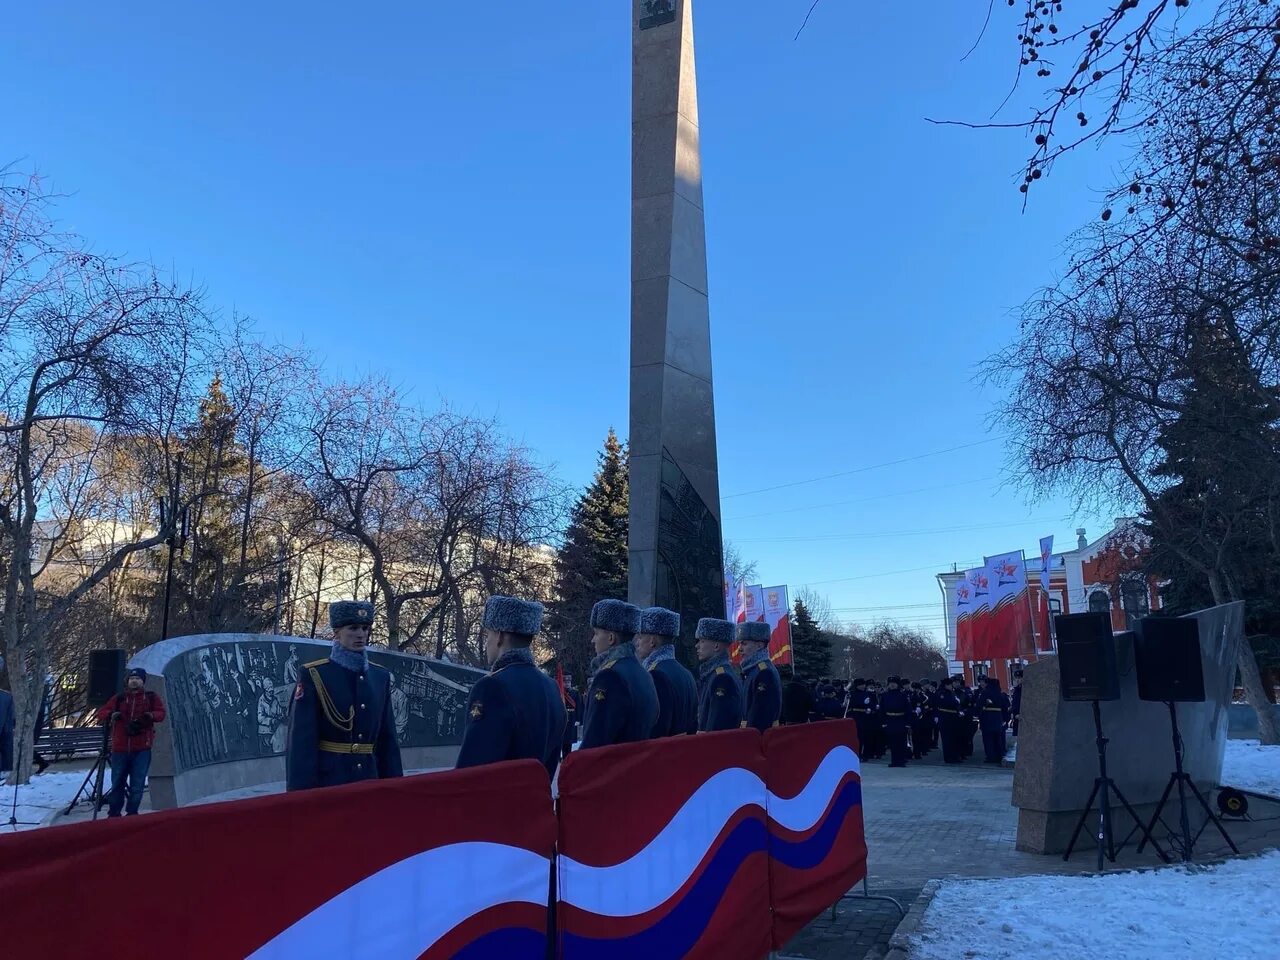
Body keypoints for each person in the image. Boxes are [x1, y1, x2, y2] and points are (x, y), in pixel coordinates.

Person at [285, 601, 403, 791]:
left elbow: (387, 740)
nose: (361, 634)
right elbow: (301, 744)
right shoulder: (315, 675)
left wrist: (396, 788)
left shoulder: (380, 677)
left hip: (370, 782)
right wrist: (300, 798)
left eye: (365, 628)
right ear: (337, 632)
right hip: (330, 783)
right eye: (353, 628)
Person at [456, 596, 566, 778]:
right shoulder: (552, 688)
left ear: (500, 635)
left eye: (488, 634)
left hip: (498, 805)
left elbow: (471, 772)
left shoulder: (491, 687)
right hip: (538, 804)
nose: (487, 642)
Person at [579, 599, 658, 749]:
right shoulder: (644, 674)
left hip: (611, 769)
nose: (592, 640)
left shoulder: (609, 676)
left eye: (596, 633)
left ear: (610, 638)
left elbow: (595, 743)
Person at [95, 668, 167, 817]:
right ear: (127, 681)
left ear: (143, 681)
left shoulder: (151, 698)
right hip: (120, 748)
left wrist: (149, 716)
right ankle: (114, 813)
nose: (134, 681)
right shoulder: (119, 698)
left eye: (138, 679)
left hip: (141, 748)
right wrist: (112, 715)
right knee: (117, 784)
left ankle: (132, 812)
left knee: (137, 784)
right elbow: (101, 713)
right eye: (131, 678)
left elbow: (161, 713)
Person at [635, 606, 698, 737]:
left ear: (652, 641)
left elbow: (656, 729)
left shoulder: (655, 675)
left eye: (640, 637)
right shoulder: (686, 674)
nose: (637, 643)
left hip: (664, 755)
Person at [694, 618, 742, 732]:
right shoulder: (714, 675)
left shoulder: (721, 678)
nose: (697, 646)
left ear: (716, 646)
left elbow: (716, 728)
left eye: (702, 641)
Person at [737, 621, 782, 732]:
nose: (739, 649)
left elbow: (759, 717)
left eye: (744, 644)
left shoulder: (763, 672)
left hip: (757, 738)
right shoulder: (755, 670)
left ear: (759, 645)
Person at [977, 676, 1012, 763]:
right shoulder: (1001, 695)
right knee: (998, 738)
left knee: (988, 739)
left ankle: (990, 756)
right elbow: (1005, 708)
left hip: (987, 718)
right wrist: (1006, 720)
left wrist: (979, 715)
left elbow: (979, 705)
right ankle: (999, 755)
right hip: (998, 718)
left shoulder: (984, 693)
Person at [879, 677, 912, 767]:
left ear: (898, 684)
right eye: (890, 683)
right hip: (890, 720)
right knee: (892, 742)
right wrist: (883, 722)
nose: (892, 685)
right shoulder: (885, 695)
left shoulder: (903, 695)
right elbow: (882, 710)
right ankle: (894, 761)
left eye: (894, 683)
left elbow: (908, 710)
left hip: (901, 720)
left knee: (901, 741)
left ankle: (901, 760)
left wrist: (908, 723)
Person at [935, 678, 964, 764]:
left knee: (955, 738)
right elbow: (946, 703)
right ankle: (949, 757)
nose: (952, 686)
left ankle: (955, 755)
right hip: (945, 718)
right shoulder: (941, 693)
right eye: (951, 685)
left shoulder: (952, 693)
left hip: (953, 717)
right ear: (946, 685)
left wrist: (959, 710)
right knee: (947, 739)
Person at [845, 678, 874, 760]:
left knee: (866, 736)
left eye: (863, 685)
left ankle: (866, 754)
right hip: (856, 716)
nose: (863, 686)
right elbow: (850, 705)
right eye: (861, 685)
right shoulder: (852, 694)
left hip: (865, 717)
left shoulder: (867, 694)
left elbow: (872, 704)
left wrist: (870, 708)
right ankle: (857, 753)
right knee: (858, 736)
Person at [1010, 668, 1024, 738]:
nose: (1018, 680)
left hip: (1023, 716)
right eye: (1016, 678)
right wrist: (1014, 713)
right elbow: (1015, 703)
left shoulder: (1025, 689)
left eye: (1020, 678)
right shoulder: (1016, 690)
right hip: (1017, 717)